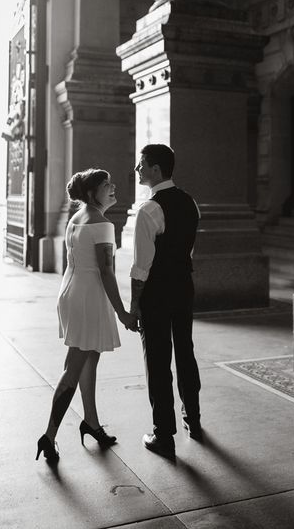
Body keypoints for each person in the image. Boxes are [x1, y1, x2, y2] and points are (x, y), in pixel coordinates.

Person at [36, 168, 136, 462]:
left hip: (71, 292)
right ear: (93, 193)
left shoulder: (76, 219)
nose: (114, 187)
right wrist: (123, 313)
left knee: (88, 359)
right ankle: (49, 435)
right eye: (107, 185)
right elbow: (106, 271)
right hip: (89, 297)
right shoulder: (102, 223)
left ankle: (91, 422)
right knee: (73, 368)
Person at [129, 144, 202, 459]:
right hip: (184, 288)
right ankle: (193, 421)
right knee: (185, 353)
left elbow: (141, 267)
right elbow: (188, 250)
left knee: (157, 362)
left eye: (141, 163)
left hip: (157, 293)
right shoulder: (190, 203)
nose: (137, 169)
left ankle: (163, 435)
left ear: (155, 168)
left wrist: (134, 305)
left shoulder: (149, 210)